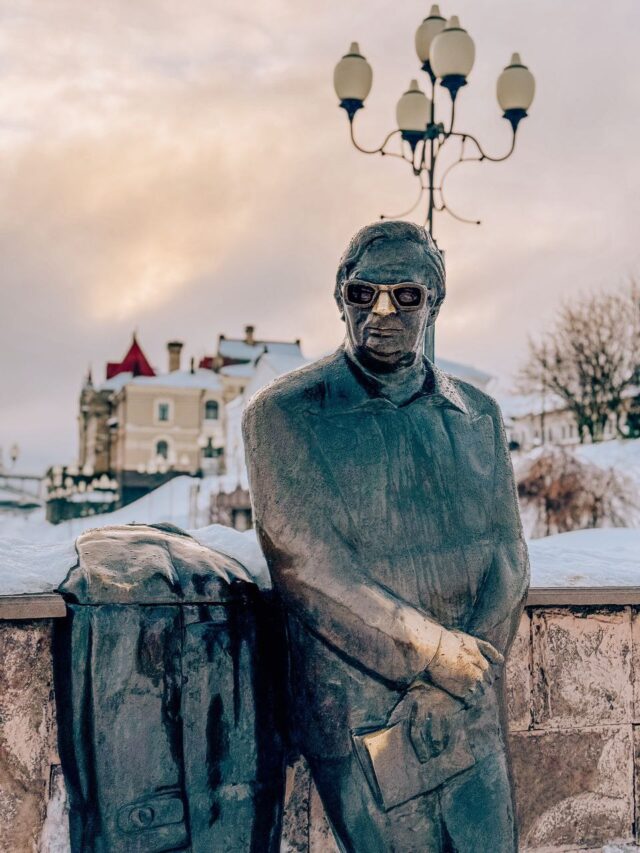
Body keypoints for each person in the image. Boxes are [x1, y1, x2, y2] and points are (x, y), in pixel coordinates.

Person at [242, 221, 529, 852]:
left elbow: (507, 555)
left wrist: (461, 671)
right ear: (339, 296)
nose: (382, 312)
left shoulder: (476, 415)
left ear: (436, 301)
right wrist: (432, 655)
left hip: (464, 701)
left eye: (407, 296)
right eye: (363, 293)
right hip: (362, 707)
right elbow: (308, 567)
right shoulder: (285, 414)